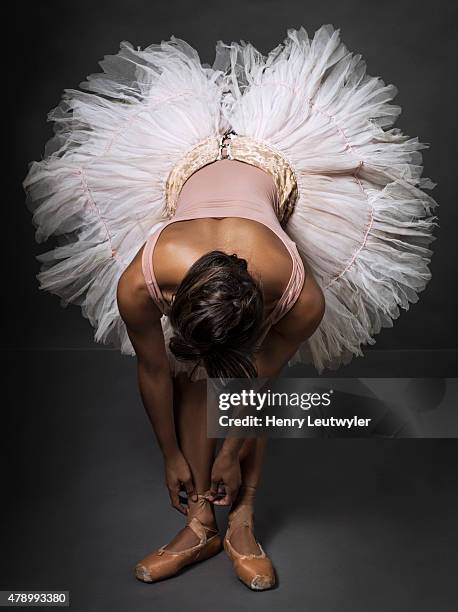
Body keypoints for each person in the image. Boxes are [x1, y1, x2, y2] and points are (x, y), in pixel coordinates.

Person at [23, 24, 438, 590]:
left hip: (274, 178)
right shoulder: (140, 283)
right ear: (172, 298)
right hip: (192, 169)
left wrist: (231, 455)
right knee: (193, 377)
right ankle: (200, 524)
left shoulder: (298, 293)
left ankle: (242, 522)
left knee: (243, 385)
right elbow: (154, 370)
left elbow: (260, 386)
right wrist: (170, 456)